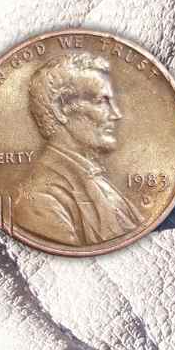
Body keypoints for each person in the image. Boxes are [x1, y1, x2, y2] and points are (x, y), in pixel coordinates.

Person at [12, 52, 144, 246]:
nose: (116, 114)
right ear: (61, 109)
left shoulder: (96, 180)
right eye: (101, 101)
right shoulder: (42, 199)